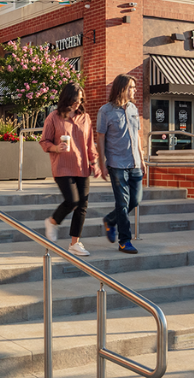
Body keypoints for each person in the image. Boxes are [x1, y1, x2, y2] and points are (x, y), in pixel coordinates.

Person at [40, 83, 99, 257]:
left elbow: (90, 144)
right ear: (67, 98)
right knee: (72, 201)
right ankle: (52, 221)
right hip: (62, 166)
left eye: (80, 99)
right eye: (75, 99)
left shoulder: (85, 117)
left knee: (82, 205)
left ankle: (75, 243)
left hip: (82, 166)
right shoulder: (53, 117)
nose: (78, 103)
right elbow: (44, 141)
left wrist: (94, 162)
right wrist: (56, 148)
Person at [97, 74, 145, 254]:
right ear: (122, 89)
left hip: (135, 163)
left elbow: (137, 136)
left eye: (134, 87)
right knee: (123, 202)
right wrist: (102, 163)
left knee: (135, 200)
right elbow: (100, 138)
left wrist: (142, 158)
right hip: (116, 163)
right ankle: (124, 241)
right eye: (131, 87)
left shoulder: (133, 109)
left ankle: (110, 220)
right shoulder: (105, 111)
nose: (135, 90)